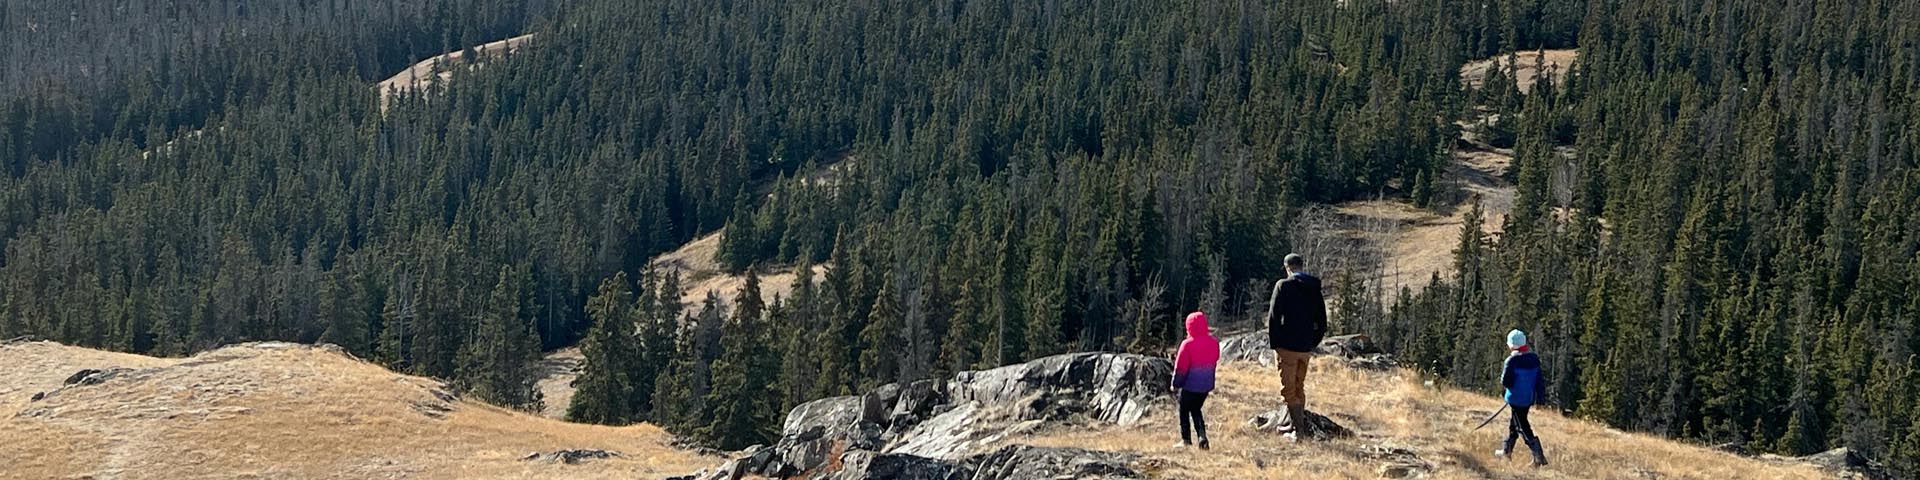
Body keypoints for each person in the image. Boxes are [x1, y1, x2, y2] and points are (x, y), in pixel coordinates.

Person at [1266, 253, 1326, 440]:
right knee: (1299, 386)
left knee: (1288, 389)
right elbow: (1322, 321)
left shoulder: (1283, 286)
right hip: (1305, 347)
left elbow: (1274, 317)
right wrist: (1312, 342)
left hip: (1287, 346)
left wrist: (1276, 343)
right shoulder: (1314, 287)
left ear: (1287, 267)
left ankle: (1298, 431)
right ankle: (1294, 426)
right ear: (1302, 265)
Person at [1497, 329, 1548, 467]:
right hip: (1528, 399)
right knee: (1514, 425)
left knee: (1522, 427)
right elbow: (1540, 381)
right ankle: (1506, 452)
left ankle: (1539, 457)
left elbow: (1505, 382)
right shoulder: (1534, 359)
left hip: (1515, 398)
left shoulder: (1511, 360)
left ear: (1512, 345)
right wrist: (1541, 399)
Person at [1171, 311, 1220, 449]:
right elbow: (1215, 359)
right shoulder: (1214, 343)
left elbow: (1180, 367)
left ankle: (1185, 440)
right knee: (1196, 409)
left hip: (1190, 385)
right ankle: (1202, 437)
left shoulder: (1187, 344)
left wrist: (1175, 384)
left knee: (1184, 410)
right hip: (1206, 386)